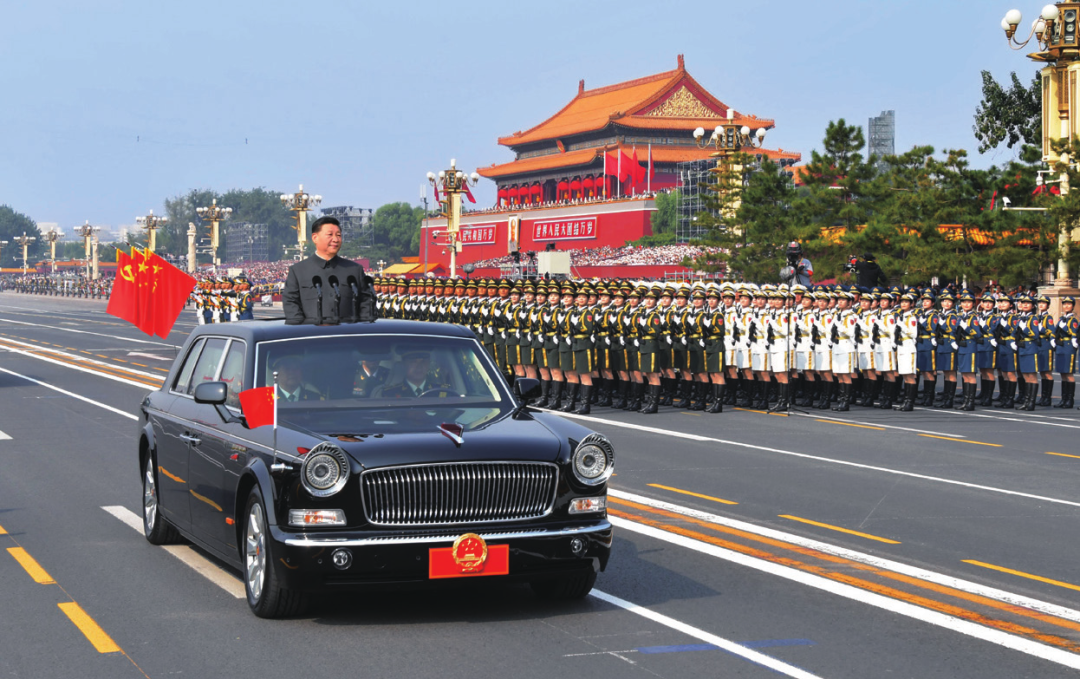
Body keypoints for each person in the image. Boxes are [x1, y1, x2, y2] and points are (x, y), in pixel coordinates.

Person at [283, 216, 376, 324]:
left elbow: (366, 303)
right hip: (311, 333)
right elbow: (291, 304)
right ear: (315, 238)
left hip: (348, 333)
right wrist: (305, 330)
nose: (335, 239)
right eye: (330, 234)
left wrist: (361, 327)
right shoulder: (298, 271)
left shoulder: (354, 270)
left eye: (338, 235)